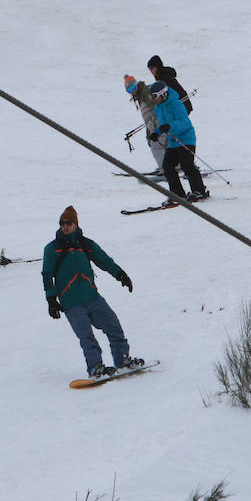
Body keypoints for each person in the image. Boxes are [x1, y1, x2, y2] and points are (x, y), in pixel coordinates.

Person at [42, 205, 143, 378]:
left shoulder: (85, 244)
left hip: (92, 297)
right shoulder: (51, 248)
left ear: (76, 224)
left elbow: (103, 260)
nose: (65, 226)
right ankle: (95, 368)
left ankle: (122, 360)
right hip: (71, 302)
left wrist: (121, 275)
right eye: (62, 223)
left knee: (114, 327)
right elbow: (47, 274)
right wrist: (51, 300)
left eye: (69, 223)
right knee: (86, 337)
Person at [149, 81, 208, 202]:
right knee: (167, 166)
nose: (153, 99)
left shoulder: (176, 104)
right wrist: (157, 133)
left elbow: (184, 123)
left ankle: (199, 191)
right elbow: (163, 125)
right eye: (151, 97)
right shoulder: (158, 109)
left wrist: (170, 126)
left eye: (154, 96)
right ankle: (177, 194)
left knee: (187, 165)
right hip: (173, 142)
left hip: (186, 139)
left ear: (163, 94)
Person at [124, 74, 166, 175]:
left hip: (158, 125)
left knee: (158, 146)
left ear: (137, 85)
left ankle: (166, 168)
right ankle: (172, 166)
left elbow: (157, 106)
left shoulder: (146, 93)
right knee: (160, 145)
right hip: (153, 126)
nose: (132, 91)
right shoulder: (140, 95)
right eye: (129, 90)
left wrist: (156, 121)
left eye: (133, 88)